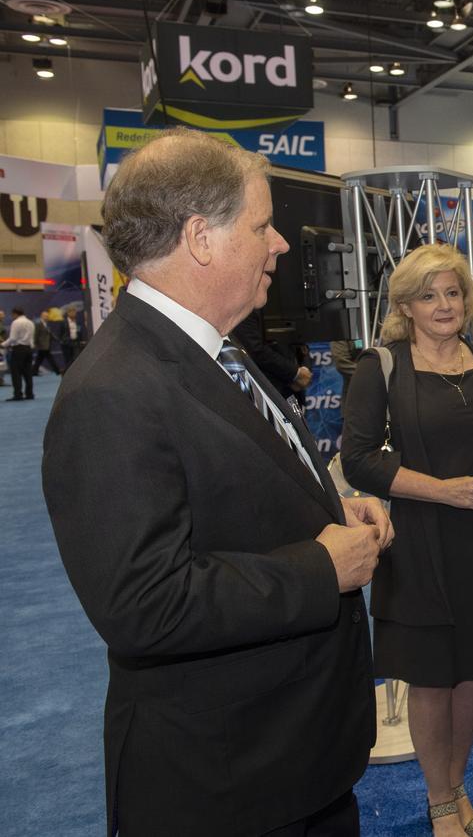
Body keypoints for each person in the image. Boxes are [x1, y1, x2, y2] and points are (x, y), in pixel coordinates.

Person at [42, 128, 394, 836]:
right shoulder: (113, 389)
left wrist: (328, 510)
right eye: (263, 226)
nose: (281, 245)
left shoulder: (211, 352)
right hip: (225, 787)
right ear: (202, 238)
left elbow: (232, 498)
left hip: (291, 762)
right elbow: (144, 604)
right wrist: (319, 567)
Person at [340, 243, 473, 837]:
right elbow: (357, 460)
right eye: (428, 295)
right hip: (420, 544)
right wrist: (445, 491)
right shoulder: (381, 366)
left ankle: (458, 785)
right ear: (405, 305)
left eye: (453, 292)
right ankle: (438, 800)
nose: (443, 305)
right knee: (431, 678)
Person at [233, 306, 313, 399]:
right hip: (270, 387)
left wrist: (304, 370)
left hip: (294, 388)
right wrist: (294, 373)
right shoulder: (248, 304)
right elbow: (255, 349)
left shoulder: (288, 300)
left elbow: (300, 339)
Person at [3, 306, 34, 401]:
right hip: (28, 349)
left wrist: (3, 344)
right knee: (28, 372)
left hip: (18, 349)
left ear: (15, 314)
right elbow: (31, 338)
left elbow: (13, 338)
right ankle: (29, 394)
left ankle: (18, 394)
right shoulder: (30, 322)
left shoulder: (16, 322)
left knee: (16, 373)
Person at [32, 309, 60, 375]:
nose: (47, 317)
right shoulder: (38, 324)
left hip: (47, 345)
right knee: (50, 359)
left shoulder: (47, 324)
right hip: (42, 346)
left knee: (39, 360)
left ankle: (34, 371)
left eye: (47, 316)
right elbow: (36, 335)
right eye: (45, 316)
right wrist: (35, 343)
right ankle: (57, 371)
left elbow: (50, 334)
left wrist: (57, 339)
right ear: (41, 316)